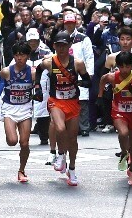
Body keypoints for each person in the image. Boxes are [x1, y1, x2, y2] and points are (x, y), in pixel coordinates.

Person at [35, 31, 91, 186]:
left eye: (64, 46)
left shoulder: (78, 63)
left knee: (73, 138)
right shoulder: (49, 62)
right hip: (56, 102)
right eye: (58, 45)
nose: (61, 49)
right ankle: (60, 154)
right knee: (60, 128)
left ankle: (71, 169)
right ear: (54, 46)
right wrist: (37, 87)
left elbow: (87, 80)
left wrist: (83, 83)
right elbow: (38, 71)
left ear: (69, 46)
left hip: (72, 103)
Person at [98, 51, 132, 185]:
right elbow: (102, 79)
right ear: (117, 66)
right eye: (121, 67)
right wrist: (100, 96)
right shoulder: (113, 77)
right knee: (123, 133)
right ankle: (124, 152)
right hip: (119, 111)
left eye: (128, 66)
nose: (124, 70)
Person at [0, 41, 36, 183]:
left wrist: (38, 93)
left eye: (23, 55)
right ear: (13, 56)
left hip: (25, 108)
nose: (19, 58)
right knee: (12, 141)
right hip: (10, 108)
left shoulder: (32, 72)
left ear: (27, 56)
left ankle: (21, 170)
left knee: (24, 143)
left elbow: (38, 88)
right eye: (17, 55)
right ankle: (10, 132)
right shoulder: (6, 71)